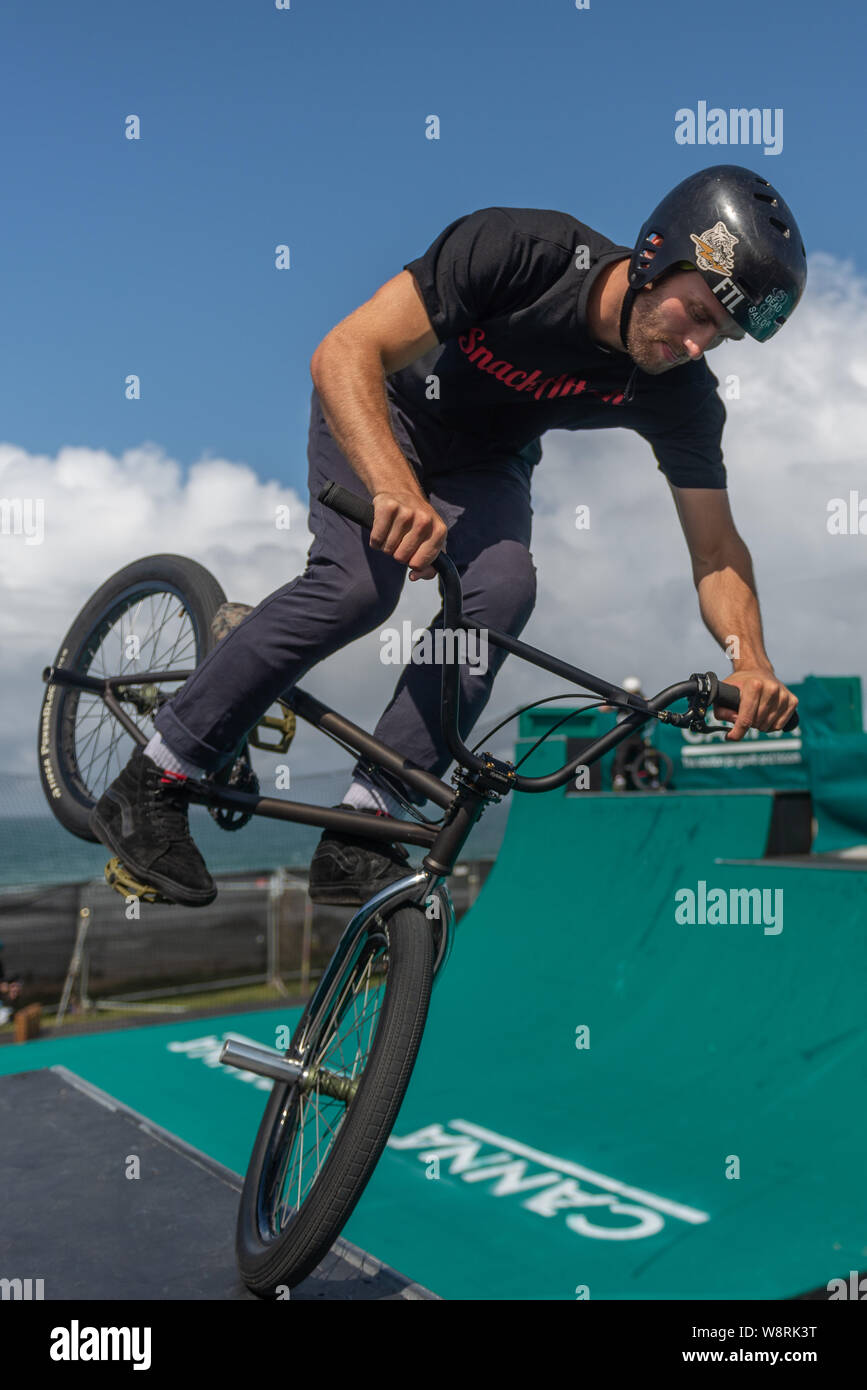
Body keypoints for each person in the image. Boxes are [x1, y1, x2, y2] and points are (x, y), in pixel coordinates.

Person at [89, 164, 805, 908]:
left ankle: (366, 822)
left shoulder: (677, 392)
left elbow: (716, 549)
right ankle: (153, 779)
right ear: (656, 255)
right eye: (695, 313)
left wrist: (748, 659)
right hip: (381, 405)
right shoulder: (523, 250)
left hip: (486, 461)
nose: (695, 345)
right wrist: (395, 485)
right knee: (358, 587)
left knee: (504, 589)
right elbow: (345, 352)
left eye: (718, 336)